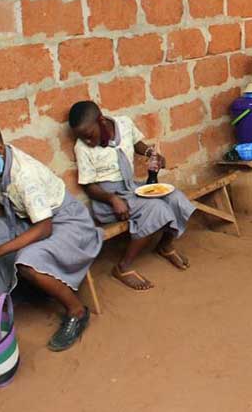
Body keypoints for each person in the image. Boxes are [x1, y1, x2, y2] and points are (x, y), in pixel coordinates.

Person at [0, 121, 102, 351]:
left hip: (67, 224)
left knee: (28, 261)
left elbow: (44, 229)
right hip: (29, 221)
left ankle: (77, 311)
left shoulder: (24, 174)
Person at [69, 101, 196, 290]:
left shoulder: (124, 124)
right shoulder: (82, 148)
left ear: (102, 121)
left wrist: (151, 153)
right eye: (82, 138)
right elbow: (88, 186)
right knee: (156, 208)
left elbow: (137, 143)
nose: (87, 141)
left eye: (89, 136)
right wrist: (112, 199)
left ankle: (165, 245)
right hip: (108, 199)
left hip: (131, 189)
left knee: (176, 197)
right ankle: (122, 267)